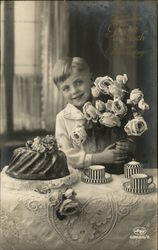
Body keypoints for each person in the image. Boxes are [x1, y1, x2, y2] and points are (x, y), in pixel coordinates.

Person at [53, 57, 134, 174]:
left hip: (115, 173)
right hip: (82, 177)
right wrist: (98, 158)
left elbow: (123, 133)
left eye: (79, 82)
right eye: (66, 88)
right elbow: (64, 155)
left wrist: (128, 146)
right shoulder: (62, 118)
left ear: (91, 79)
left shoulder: (110, 105)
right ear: (60, 91)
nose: (74, 91)